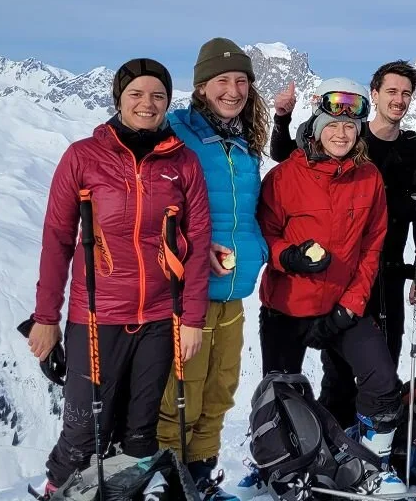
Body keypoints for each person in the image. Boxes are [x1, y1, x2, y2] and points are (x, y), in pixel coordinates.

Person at [27, 59, 211, 499]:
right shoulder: (83, 157)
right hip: (97, 316)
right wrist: (45, 316)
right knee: (81, 435)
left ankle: (123, 492)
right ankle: (62, 491)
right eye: (137, 94)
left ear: (169, 102)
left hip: (160, 319)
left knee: (140, 430)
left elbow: (199, 240)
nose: (147, 104)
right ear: (118, 99)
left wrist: (192, 318)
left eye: (158, 96)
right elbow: (56, 238)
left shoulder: (183, 162)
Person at [256, 79, 406, 494]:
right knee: (282, 393)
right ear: (317, 125)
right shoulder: (285, 176)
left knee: (381, 381)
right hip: (287, 304)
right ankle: (283, 467)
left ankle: (373, 465)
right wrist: (287, 255)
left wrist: (351, 305)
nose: (341, 134)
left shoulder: (369, 177)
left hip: (342, 305)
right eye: (332, 125)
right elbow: (263, 235)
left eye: (350, 127)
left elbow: (372, 247)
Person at [158, 38, 270, 499]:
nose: (233, 89)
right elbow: (154, 204)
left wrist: (259, 250)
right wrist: (191, 248)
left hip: (234, 289)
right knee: (179, 391)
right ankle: (165, 481)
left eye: (242, 80)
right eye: (222, 80)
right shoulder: (175, 132)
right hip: (187, 290)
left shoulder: (243, 143)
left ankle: (200, 478)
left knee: (220, 390)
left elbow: (247, 209)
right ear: (201, 86)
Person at [317, 61, 416, 427]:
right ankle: (335, 445)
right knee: (338, 370)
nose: (399, 100)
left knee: (387, 359)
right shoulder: (349, 139)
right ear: (375, 94)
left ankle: (375, 443)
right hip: (344, 276)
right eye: (392, 92)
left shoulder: (413, 151)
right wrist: (282, 119)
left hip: (390, 274)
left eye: (406, 94)